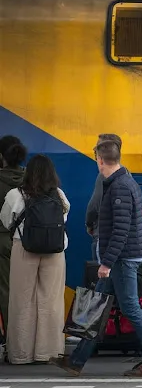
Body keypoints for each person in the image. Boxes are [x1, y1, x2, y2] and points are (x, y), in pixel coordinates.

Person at [51, 140, 142, 376]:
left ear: (99, 159)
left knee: (130, 307)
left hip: (121, 259)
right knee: (96, 306)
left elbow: (121, 230)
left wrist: (107, 263)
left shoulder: (119, 186)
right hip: (121, 257)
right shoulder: (121, 182)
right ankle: (77, 360)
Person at [0, 154, 66, 365]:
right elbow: (64, 218)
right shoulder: (60, 195)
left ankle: (21, 354)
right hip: (55, 252)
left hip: (24, 248)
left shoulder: (15, 195)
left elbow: (5, 219)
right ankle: (48, 353)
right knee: (51, 300)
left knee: (22, 299)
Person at [0, 136, 26, 335]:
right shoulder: (30, 179)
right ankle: (22, 339)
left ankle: (11, 339)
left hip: (2, 241)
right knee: (24, 292)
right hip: (25, 240)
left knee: (6, 291)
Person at [86, 134, 123, 261]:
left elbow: (94, 205)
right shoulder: (126, 174)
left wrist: (89, 224)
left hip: (103, 236)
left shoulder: (103, 176)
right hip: (120, 240)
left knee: (101, 276)